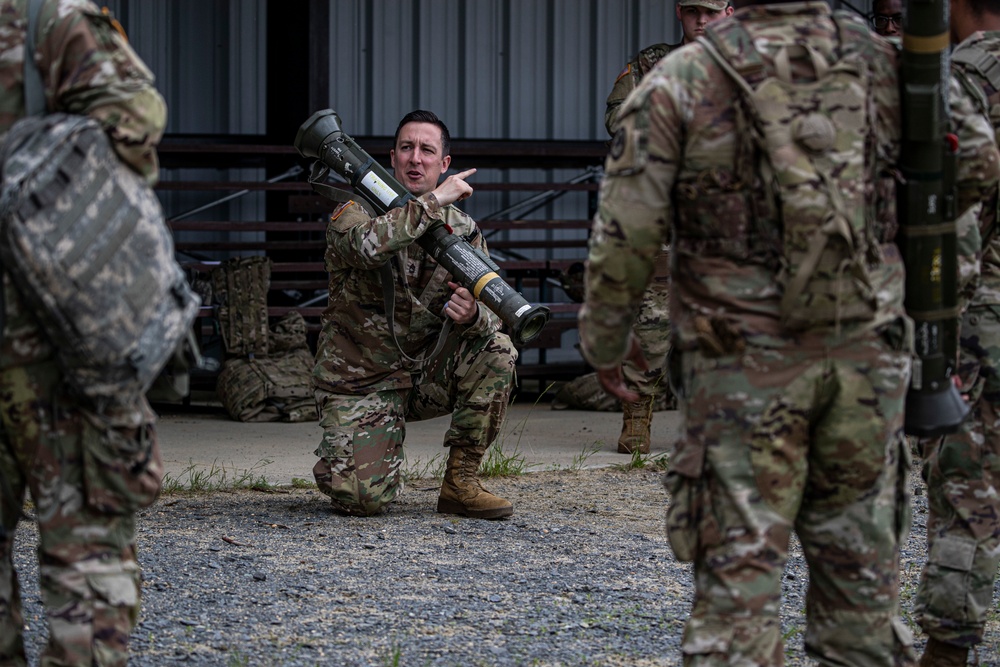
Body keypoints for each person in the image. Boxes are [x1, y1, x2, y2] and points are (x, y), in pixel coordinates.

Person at [579, 0, 1000, 665]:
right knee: (859, 599)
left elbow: (627, 227)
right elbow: (976, 160)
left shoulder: (687, 75)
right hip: (865, 367)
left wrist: (607, 339)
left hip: (741, 370)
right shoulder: (894, 66)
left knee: (737, 598)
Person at [0, 0, 168, 665]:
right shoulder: (54, 19)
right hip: (58, 340)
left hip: (52, 339)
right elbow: (135, 125)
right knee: (89, 563)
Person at [312, 109, 517, 520]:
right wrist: (433, 202)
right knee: (363, 502)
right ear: (392, 157)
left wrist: (472, 315)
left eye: (427, 150)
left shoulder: (463, 229)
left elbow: (494, 311)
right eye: (406, 148)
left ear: (444, 164)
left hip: (424, 376)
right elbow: (365, 248)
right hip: (362, 382)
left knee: (497, 350)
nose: (415, 158)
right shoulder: (355, 211)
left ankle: (461, 483)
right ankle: (352, 450)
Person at [602, 0, 733, 455]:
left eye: (711, 12)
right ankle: (638, 415)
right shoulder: (650, 63)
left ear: (729, 13)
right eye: (693, 10)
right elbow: (618, 120)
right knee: (651, 320)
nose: (701, 21)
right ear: (679, 12)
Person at [911, 1, 1000, 664]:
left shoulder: (964, 78)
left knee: (967, 495)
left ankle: (946, 649)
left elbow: (949, 218)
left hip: (981, 331)